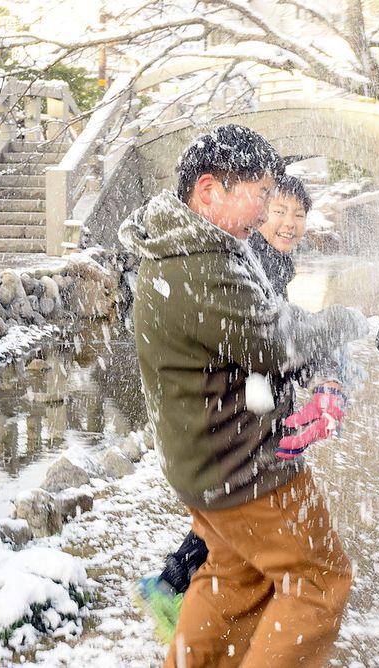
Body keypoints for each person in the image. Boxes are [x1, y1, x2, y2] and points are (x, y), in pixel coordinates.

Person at [119, 125, 368, 668]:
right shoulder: (203, 266)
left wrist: (321, 363)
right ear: (209, 191)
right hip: (247, 466)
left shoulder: (186, 248)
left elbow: (270, 329)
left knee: (234, 578)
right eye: (260, 193)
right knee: (319, 582)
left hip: (205, 464)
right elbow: (277, 343)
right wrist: (344, 323)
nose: (268, 209)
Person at [135, 173, 321, 642]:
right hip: (237, 430)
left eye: (299, 215)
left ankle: (182, 593)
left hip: (242, 426)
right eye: (276, 209)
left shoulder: (271, 261)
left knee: (227, 532)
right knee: (292, 560)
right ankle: (175, 587)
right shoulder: (245, 260)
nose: (288, 223)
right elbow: (269, 344)